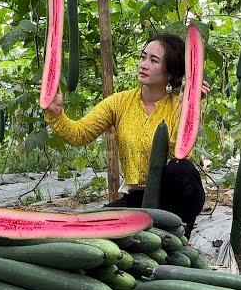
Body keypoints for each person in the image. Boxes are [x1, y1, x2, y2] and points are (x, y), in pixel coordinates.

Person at [44, 32, 211, 237]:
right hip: (138, 197)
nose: (143, 64)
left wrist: (189, 104)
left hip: (172, 196)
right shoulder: (119, 102)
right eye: (143, 57)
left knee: (182, 169)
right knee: (94, 228)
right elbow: (80, 134)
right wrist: (56, 112)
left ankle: (180, 237)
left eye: (153, 60)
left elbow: (179, 150)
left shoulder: (178, 105)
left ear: (170, 73)